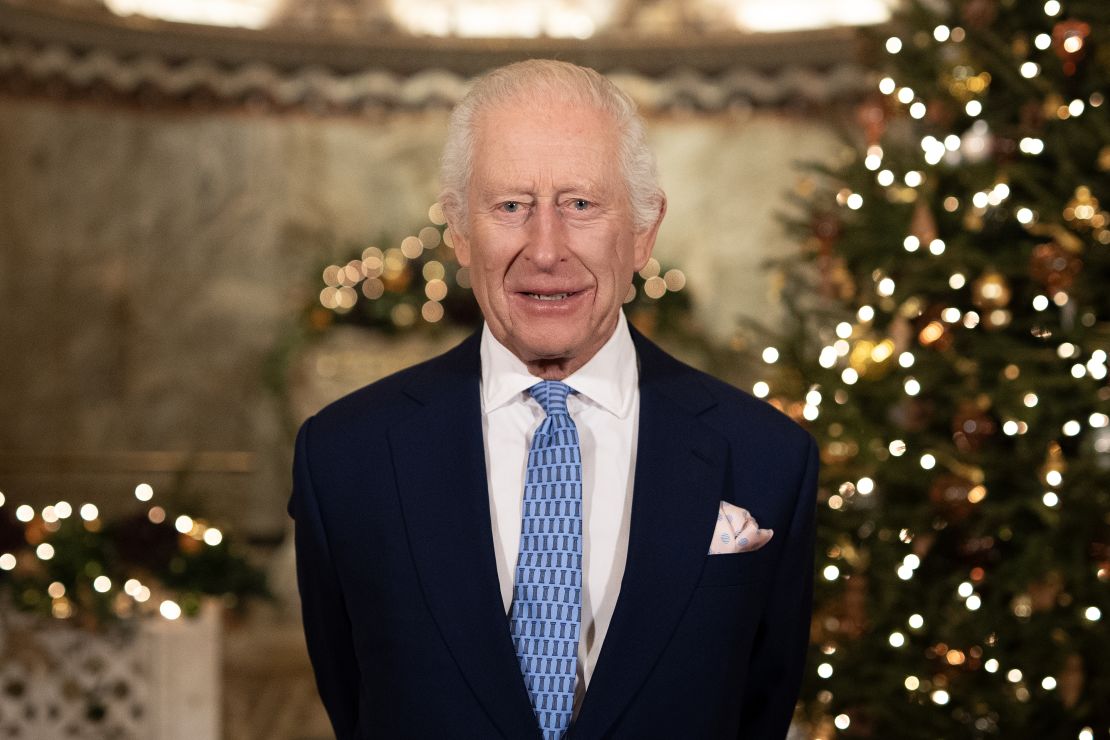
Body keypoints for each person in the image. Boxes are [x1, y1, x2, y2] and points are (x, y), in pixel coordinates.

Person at [290, 59, 818, 740]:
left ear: (643, 230)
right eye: (511, 206)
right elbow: (354, 700)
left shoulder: (768, 460)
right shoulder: (345, 459)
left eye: (581, 204)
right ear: (458, 229)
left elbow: (759, 707)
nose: (545, 249)